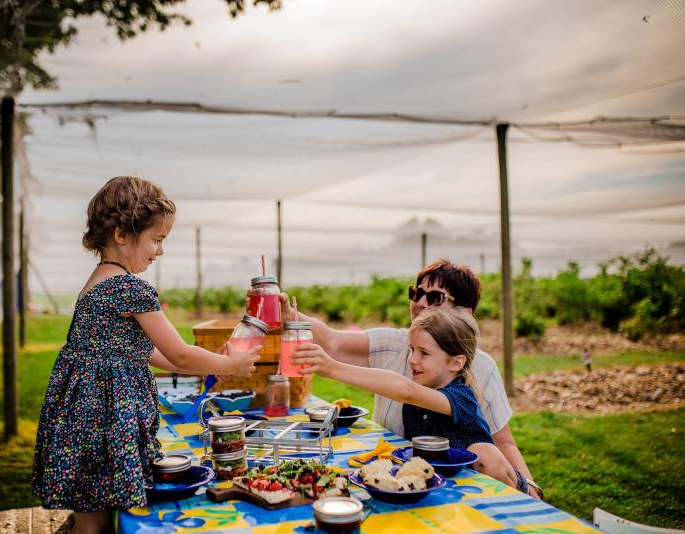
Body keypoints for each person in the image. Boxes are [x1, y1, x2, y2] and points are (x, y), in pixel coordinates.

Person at [32, 176, 261, 534]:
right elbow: (180, 354)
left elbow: (150, 353)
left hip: (81, 418)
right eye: (156, 239)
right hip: (105, 419)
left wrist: (209, 366)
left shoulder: (97, 281)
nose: (160, 250)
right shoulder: (130, 288)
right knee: (95, 524)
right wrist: (229, 364)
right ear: (122, 234)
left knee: (92, 514)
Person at [277, 259, 542, 499]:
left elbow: (405, 390)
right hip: (432, 482)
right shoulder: (399, 343)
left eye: (435, 297)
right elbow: (332, 340)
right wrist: (292, 318)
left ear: (465, 313)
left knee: (487, 454)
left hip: (479, 480)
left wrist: (529, 489)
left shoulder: (462, 390)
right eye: (417, 293)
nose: (421, 303)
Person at [294, 307, 518, 488]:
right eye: (411, 349)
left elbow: (407, 391)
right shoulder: (413, 405)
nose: (412, 359)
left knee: (484, 452)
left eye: (424, 353)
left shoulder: (461, 398)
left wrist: (332, 368)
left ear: (456, 363)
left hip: (490, 483)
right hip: (445, 486)